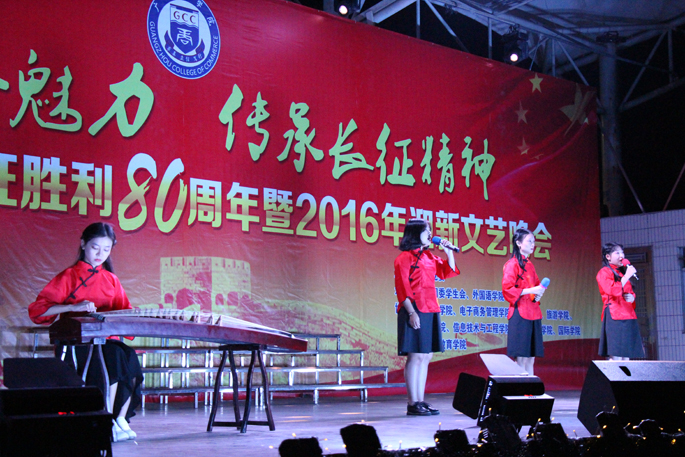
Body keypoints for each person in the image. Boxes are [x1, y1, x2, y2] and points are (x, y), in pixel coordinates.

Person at [29, 222, 142, 442]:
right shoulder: (68, 276)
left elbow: (124, 311)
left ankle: (120, 418)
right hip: (76, 343)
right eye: (95, 248)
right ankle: (106, 418)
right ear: (83, 244)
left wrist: (135, 314)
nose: (100, 254)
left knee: (129, 356)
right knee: (114, 356)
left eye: (106, 249)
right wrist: (72, 307)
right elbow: (39, 310)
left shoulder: (111, 280)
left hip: (104, 340)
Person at [394, 218, 459, 416]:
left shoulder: (429, 256)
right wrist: (411, 312)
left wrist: (449, 252)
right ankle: (412, 402)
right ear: (415, 234)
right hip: (413, 308)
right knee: (416, 355)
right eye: (426, 231)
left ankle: (420, 400)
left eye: (430, 231)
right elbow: (402, 288)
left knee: (426, 355)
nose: (430, 234)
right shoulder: (404, 258)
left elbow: (447, 272)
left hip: (430, 308)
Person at [502, 228, 546, 376]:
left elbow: (537, 286)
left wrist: (538, 294)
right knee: (521, 358)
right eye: (529, 241)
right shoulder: (512, 264)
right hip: (520, 313)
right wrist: (530, 290)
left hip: (533, 312)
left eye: (534, 241)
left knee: (531, 359)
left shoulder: (530, 265)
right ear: (519, 243)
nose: (533, 244)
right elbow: (507, 289)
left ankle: (531, 387)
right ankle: (520, 387)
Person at [596, 242, 644, 360]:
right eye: (617, 253)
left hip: (628, 314)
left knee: (627, 354)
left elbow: (629, 291)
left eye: (622, 252)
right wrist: (626, 276)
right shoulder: (604, 272)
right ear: (608, 257)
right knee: (616, 353)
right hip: (615, 314)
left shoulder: (622, 272)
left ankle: (626, 372)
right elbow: (611, 290)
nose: (621, 255)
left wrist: (632, 297)